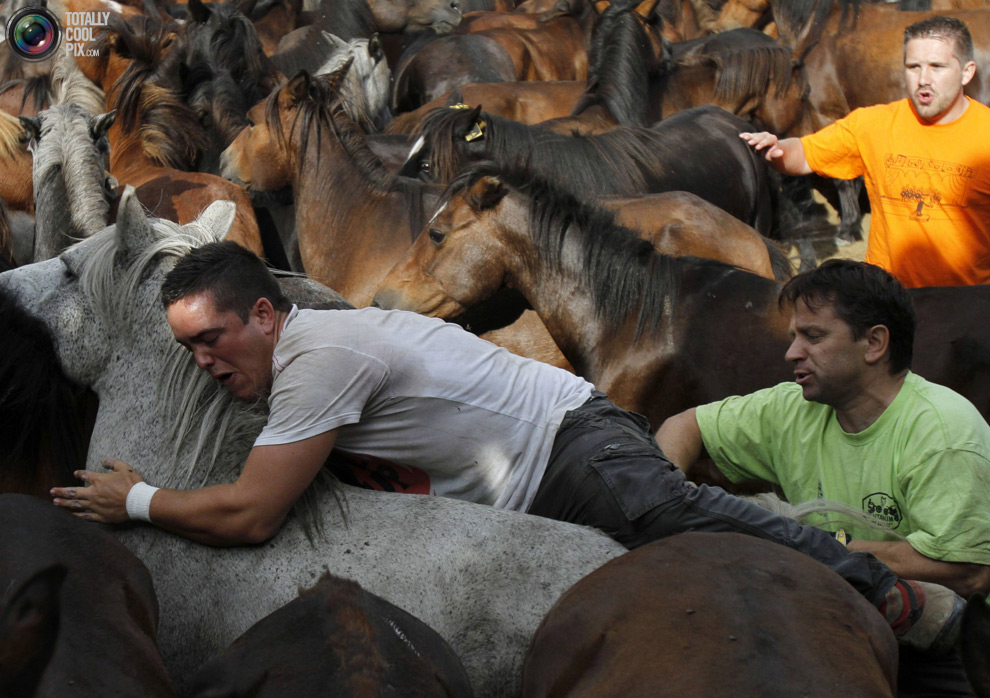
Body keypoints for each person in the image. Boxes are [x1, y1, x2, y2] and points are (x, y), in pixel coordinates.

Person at [52, 242, 963, 655]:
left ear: (264, 314)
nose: (206, 362)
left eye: (215, 338)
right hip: (536, 474)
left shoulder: (318, 355)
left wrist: (135, 500)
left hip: (572, 446)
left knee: (666, 513)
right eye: (188, 351)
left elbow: (252, 514)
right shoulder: (301, 355)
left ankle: (870, 583)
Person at [657, 259, 990, 696]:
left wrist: (822, 550)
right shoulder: (795, 407)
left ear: (874, 343)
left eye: (812, 336)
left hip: (954, 641)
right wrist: (661, 496)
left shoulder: (943, 433)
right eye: (796, 335)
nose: (791, 352)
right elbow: (686, 425)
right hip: (847, 612)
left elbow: (969, 573)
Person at [740, 15, 990, 289]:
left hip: (968, 305)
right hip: (888, 301)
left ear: (967, 72)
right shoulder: (872, 124)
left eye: (937, 67)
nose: (923, 79)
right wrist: (777, 149)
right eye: (913, 66)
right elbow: (804, 153)